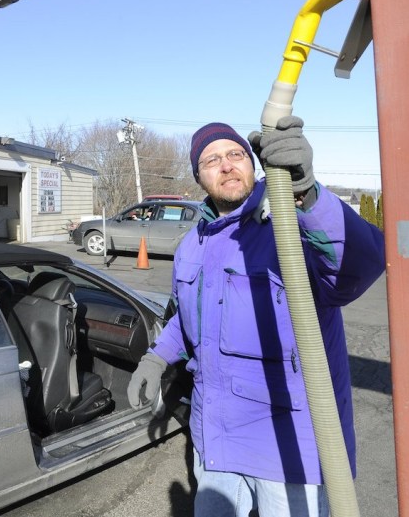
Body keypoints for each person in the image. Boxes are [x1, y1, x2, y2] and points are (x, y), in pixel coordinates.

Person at [127, 117, 385, 516]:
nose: (227, 165)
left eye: (235, 154)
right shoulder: (192, 245)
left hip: (288, 448)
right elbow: (187, 318)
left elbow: (358, 265)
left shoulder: (290, 223)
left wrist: (307, 194)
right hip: (214, 438)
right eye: (212, 160)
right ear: (199, 176)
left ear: (252, 163)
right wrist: (156, 356)